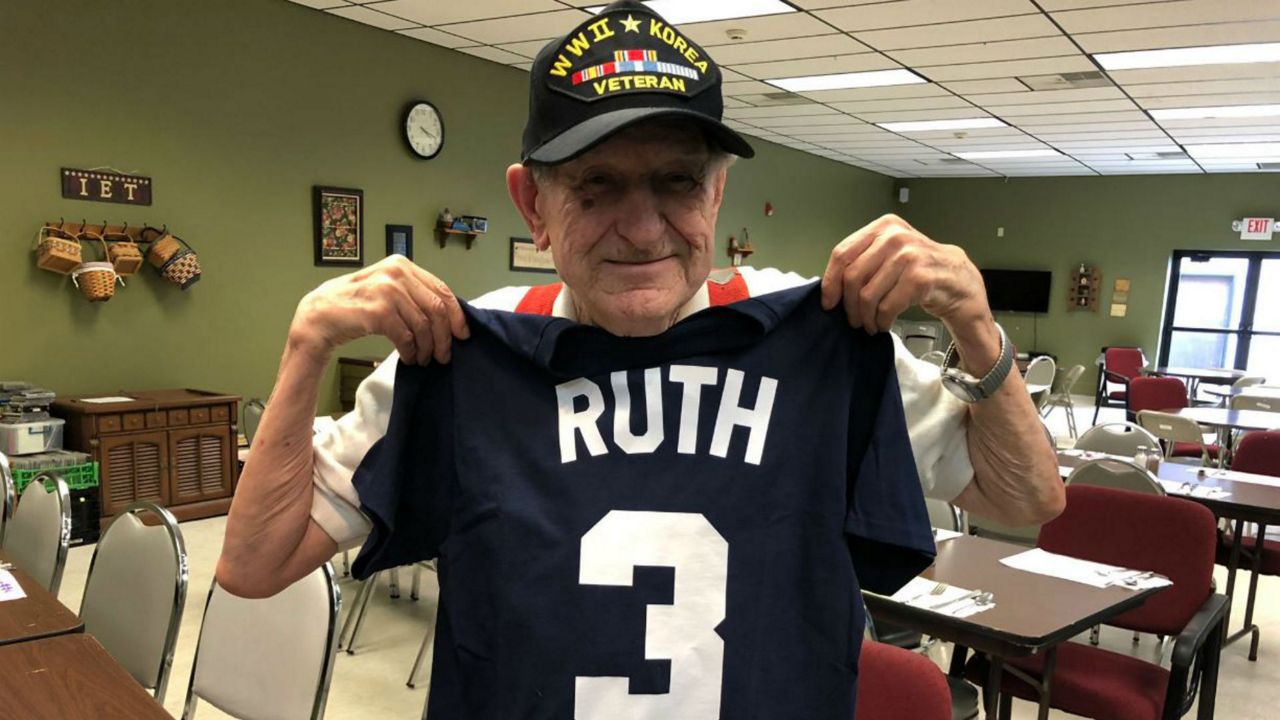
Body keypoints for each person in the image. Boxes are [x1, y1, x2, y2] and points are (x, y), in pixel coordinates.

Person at [218, 0, 1062, 709]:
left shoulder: (813, 338)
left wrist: (977, 328)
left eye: (677, 182)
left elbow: (1027, 500)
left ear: (718, 190)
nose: (645, 226)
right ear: (532, 205)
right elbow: (254, 568)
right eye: (598, 186)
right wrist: (305, 350)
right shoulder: (461, 355)